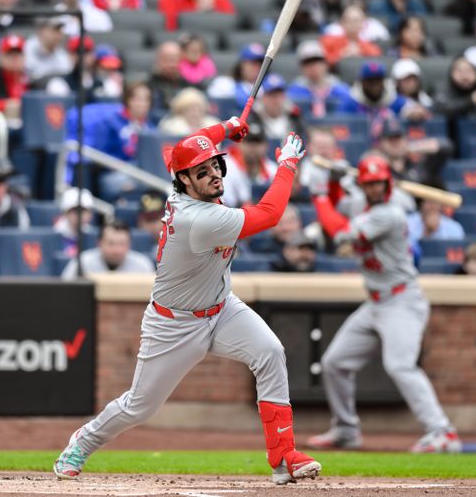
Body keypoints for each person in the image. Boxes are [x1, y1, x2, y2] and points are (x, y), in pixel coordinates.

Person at [53, 118, 323, 486]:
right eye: (202, 171)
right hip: (174, 323)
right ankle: (82, 442)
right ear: (184, 180)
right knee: (140, 406)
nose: (213, 174)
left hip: (221, 306)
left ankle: (283, 457)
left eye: (215, 165)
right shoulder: (200, 217)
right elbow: (271, 214)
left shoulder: (192, 191)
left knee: (271, 352)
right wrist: (288, 164)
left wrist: (228, 126)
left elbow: (189, 143)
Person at [308, 154, 461, 453]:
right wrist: (335, 184)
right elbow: (340, 209)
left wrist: (319, 194)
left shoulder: (391, 213)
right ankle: (346, 429)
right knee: (334, 363)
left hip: (402, 300)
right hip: (376, 303)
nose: (375, 189)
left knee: (400, 366)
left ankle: (442, 432)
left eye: (379, 183)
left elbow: (340, 233)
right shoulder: (363, 204)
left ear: (388, 184)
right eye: (369, 184)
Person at [62, 221, 154, 279]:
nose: (116, 250)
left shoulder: (143, 265)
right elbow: (65, 290)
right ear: (99, 243)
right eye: (111, 243)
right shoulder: (82, 262)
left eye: (122, 244)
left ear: (129, 244)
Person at [287, 40, 351, 118]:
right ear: (301, 67)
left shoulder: (340, 89)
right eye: (307, 63)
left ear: (325, 63)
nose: (313, 67)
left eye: (317, 61)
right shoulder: (294, 91)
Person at [221, 121, 278, 208]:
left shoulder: (273, 169)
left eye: (257, 143)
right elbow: (226, 203)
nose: (253, 147)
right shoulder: (226, 166)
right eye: (248, 142)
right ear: (239, 144)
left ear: (266, 146)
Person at [336, 62, 406, 124]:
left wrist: (411, 112)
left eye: (378, 80)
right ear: (362, 82)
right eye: (370, 81)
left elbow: (408, 108)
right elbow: (340, 123)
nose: (375, 85)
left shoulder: (393, 99)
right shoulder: (351, 102)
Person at [207, 44, 266, 109]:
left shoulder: (267, 88)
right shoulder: (224, 84)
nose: (257, 67)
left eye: (260, 64)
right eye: (253, 63)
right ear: (242, 64)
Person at [24, 17, 72, 85]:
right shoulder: (27, 48)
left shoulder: (60, 52)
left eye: (60, 30)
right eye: (55, 30)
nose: (59, 34)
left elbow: (67, 72)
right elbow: (30, 76)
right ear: (41, 31)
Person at [252, 74, 302, 140]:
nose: (276, 100)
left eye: (280, 96)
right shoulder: (253, 117)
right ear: (263, 98)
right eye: (272, 96)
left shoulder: (294, 117)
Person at [54, 187, 96, 258]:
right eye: (76, 211)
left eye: (85, 211)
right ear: (65, 213)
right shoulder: (56, 234)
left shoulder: (92, 235)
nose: (81, 215)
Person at [148, 41, 188, 111]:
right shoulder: (149, 85)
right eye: (167, 59)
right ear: (158, 60)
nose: (172, 64)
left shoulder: (188, 84)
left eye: (175, 59)